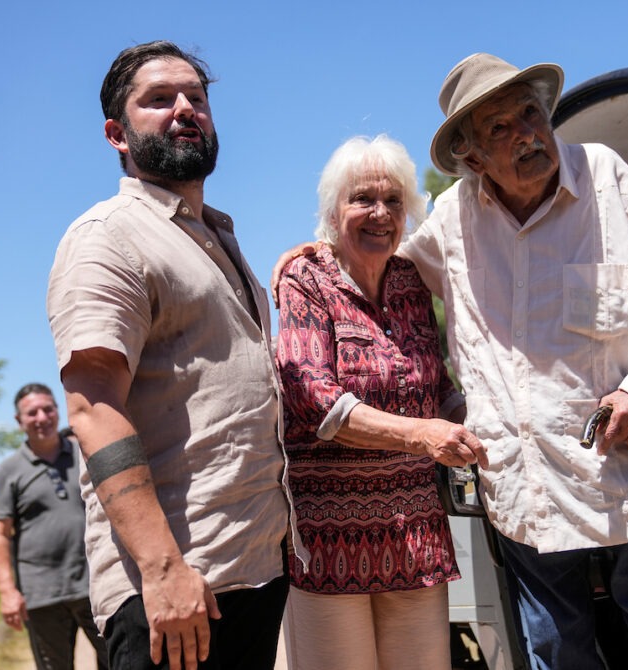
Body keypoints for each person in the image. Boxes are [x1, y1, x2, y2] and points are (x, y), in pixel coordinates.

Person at [274, 53, 628, 670]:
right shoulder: (452, 221)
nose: (526, 134)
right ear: (470, 158)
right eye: (499, 128)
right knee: (554, 656)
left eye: (530, 114)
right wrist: (316, 253)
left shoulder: (606, 177)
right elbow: (372, 255)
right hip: (528, 498)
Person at [47, 41, 301, 670]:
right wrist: (162, 571)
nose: (186, 109)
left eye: (197, 97)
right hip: (172, 590)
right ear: (118, 134)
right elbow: (93, 407)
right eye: (159, 100)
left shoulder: (215, 236)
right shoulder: (107, 238)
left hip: (251, 571)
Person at [275, 135, 488, 670]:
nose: (380, 213)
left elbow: (437, 387)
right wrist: (422, 434)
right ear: (332, 211)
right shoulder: (307, 279)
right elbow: (315, 399)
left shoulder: (410, 282)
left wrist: (477, 421)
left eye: (393, 201)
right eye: (362, 199)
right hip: (329, 537)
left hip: (415, 530)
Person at [0, 383, 109, 670]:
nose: (42, 417)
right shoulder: (8, 471)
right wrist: (7, 592)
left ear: (58, 411)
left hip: (98, 584)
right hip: (42, 594)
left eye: (48, 409)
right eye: (32, 413)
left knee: (119, 660)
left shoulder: (87, 452)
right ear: (19, 422)